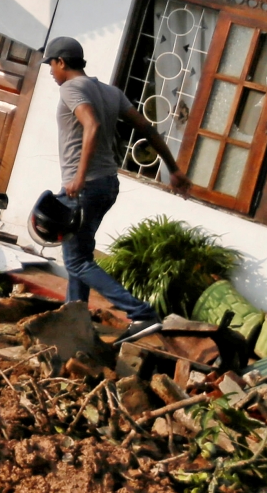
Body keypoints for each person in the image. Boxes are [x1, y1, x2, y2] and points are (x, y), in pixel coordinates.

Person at [45, 36, 187, 333]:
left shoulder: (72, 88)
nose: (50, 73)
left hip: (85, 187)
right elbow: (147, 128)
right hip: (107, 184)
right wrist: (173, 169)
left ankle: (142, 313)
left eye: (51, 65)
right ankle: (75, 319)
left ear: (61, 62)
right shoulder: (111, 92)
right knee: (79, 255)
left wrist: (79, 177)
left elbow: (92, 124)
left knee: (78, 261)